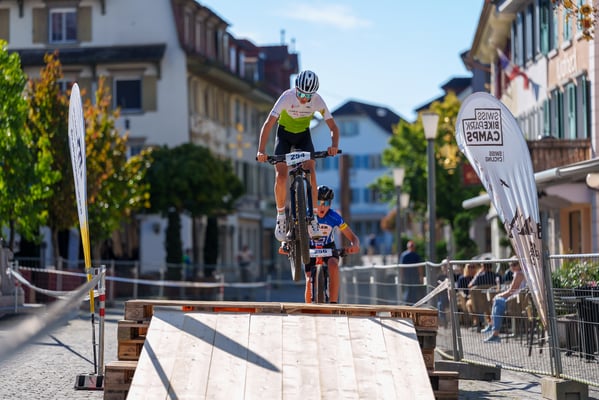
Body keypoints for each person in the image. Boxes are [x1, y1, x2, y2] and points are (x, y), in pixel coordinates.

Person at [256, 70, 340, 242]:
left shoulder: (317, 100)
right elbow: (268, 124)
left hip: (303, 137)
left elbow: (333, 127)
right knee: (281, 176)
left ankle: (313, 218)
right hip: (284, 136)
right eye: (300, 94)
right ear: (296, 89)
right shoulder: (287, 97)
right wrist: (261, 150)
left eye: (307, 96)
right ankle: (281, 217)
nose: (303, 98)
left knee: (311, 171)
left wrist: (334, 146)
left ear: (313, 94)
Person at [303, 185, 360, 303]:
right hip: (311, 246)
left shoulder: (334, 216)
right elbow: (292, 231)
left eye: (326, 203)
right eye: (319, 202)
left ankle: (333, 303)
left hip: (328, 246)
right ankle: (308, 309)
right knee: (309, 280)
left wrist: (355, 245)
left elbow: (353, 237)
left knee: (333, 265)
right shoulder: (306, 214)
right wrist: (285, 244)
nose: (322, 206)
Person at [483, 258, 527, 342]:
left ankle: (494, 330)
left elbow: (511, 291)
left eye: (515, 264)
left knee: (497, 301)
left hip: (517, 302)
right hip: (518, 300)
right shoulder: (520, 273)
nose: (512, 266)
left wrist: (498, 295)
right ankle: (493, 328)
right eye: (511, 265)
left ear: (520, 264)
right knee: (498, 301)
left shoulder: (519, 274)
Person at [399, 240, 424, 305]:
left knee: (412, 291)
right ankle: (408, 304)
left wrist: (421, 276)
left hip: (413, 277)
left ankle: (411, 304)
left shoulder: (415, 256)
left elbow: (419, 267)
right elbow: (401, 267)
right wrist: (402, 276)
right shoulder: (405, 255)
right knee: (409, 291)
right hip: (409, 277)